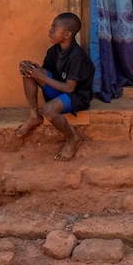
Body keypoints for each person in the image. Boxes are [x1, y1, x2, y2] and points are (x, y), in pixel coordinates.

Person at [16, 13, 95, 162]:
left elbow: (70, 88)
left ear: (67, 34)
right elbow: (46, 74)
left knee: (49, 110)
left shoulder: (77, 56)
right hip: (58, 90)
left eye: (54, 28)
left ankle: (72, 139)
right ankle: (34, 116)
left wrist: (42, 77)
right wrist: (36, 71)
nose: (50, 31)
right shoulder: (53, 51)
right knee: (28, 70)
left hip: (75, 97)